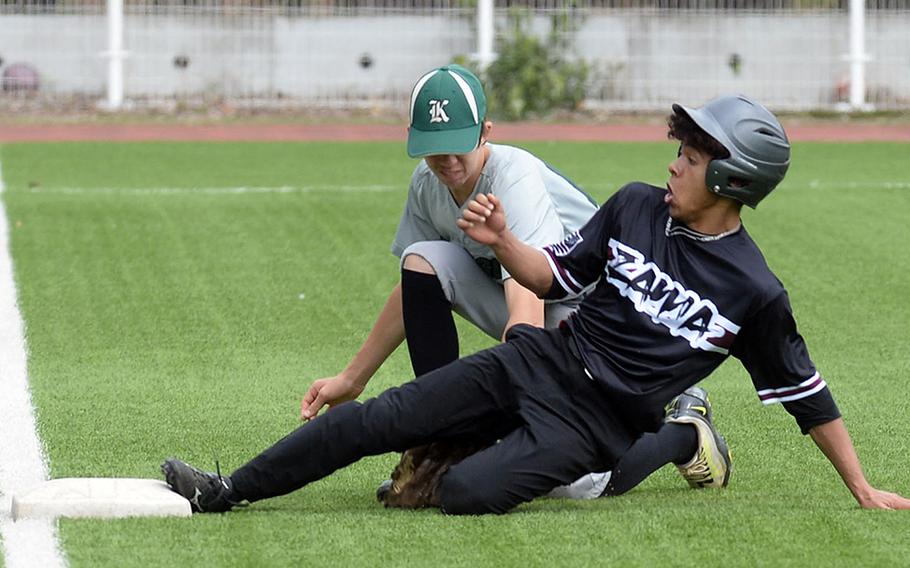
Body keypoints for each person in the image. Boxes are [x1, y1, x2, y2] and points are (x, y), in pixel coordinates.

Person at [163, 94, 888, 516]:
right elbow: (553, 280)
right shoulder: (635, 205)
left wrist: (859, 485)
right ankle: (228, 490)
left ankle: (683, 435)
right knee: (380, 419)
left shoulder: (755, 293)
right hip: (539, 358)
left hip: (599, 421)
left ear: (732, 181)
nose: (674, 162)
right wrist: (506, 242)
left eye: (693, 158)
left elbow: (808, 394)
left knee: (464, 495)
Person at [300, 63, 726, 500]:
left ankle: (684, 433)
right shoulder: (428, 184)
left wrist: (503, 427)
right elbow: (418, 282)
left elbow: (526, 316)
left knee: (573, 485)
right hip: (547, 311)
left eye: (458, 147)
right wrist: (353, 379)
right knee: (422, 259)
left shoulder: (513, 179)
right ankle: (440, 439)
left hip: (602, 328)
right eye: (434, 148)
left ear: (485, 131)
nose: (447, 161)